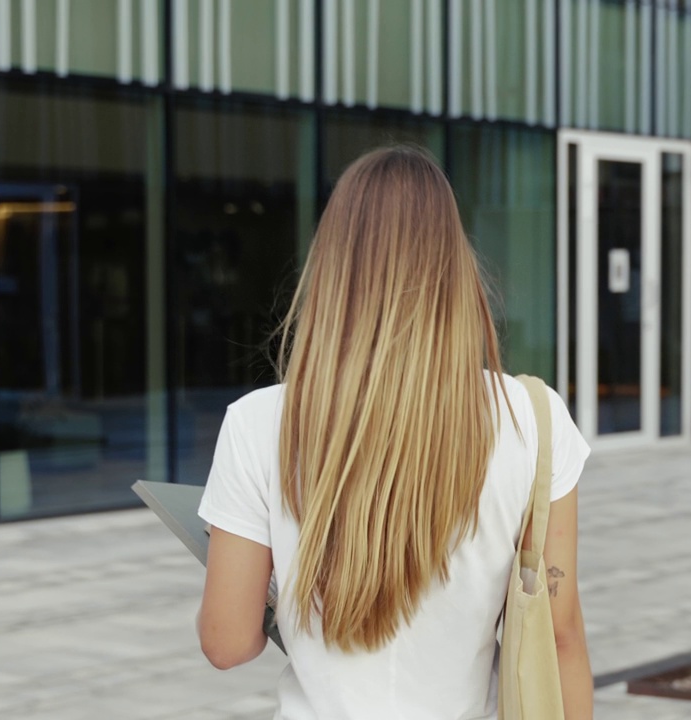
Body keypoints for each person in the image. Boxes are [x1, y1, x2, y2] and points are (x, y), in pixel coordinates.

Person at [194, 146, 594, 719]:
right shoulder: (532, 417)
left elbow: (227, 643)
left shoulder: (259, 422)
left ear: (332, 266)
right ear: (453, 266)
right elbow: (561, 636)